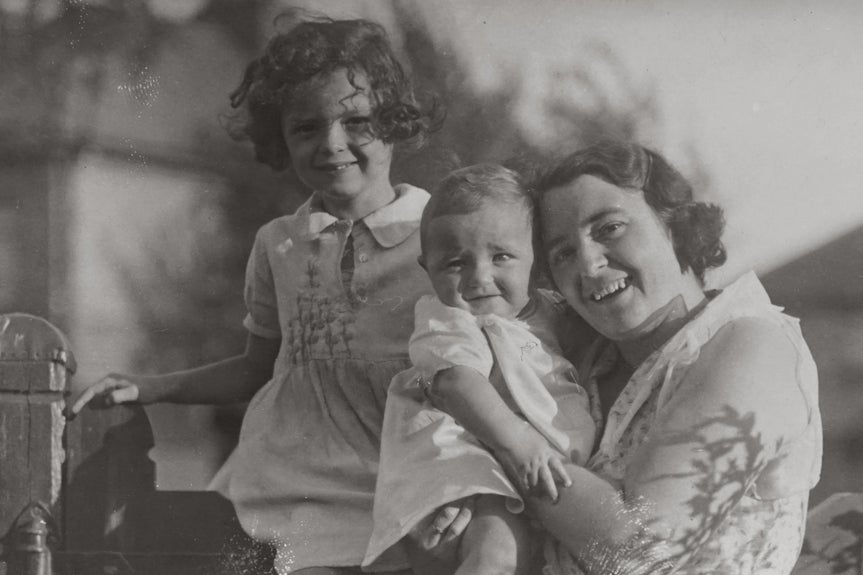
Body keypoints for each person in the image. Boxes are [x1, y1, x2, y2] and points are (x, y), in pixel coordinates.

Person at [68, 13, 466, 575]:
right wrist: (153, 386)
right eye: (306, 128)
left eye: (356, 121)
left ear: (396, 123)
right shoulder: (279, 245)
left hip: (407, 478)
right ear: (280, 139)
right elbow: (261, 366)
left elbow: (488, 359)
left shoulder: (443, 232)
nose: (332, 144)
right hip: (294, 483)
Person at [523, 139, 822, 574]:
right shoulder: (580, 365)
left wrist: (504, 445)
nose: (587, 265)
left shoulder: (751, 344)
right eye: (563, 253)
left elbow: (642, 551)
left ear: (676, 226)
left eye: (609, 229)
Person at [363, 164, 597, 574]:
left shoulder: (553, 313)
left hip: (528, 473)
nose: (479, 278)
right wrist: (518, 441)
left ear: (535, 258)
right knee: (496, 551)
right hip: (470, 468)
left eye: (502, 256)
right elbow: (456, 383)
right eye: (455, 263)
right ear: (427, 268)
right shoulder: (450, 319)